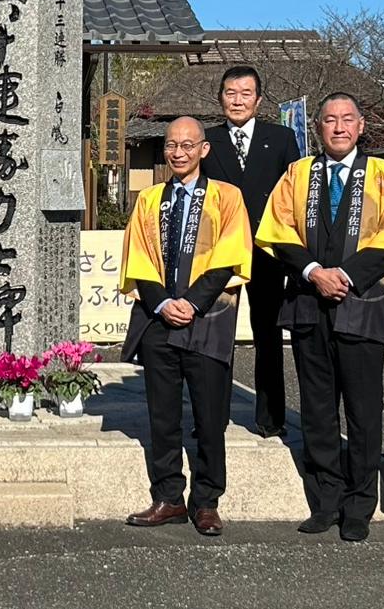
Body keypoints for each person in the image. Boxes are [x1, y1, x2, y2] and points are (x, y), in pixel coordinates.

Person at [255, 92, 384, 543]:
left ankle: (360, 503)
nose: (339, 127)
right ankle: (325, 498)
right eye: (330, 120)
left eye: (348, 119)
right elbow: (275, 230)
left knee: (364, 410)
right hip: (308, 303)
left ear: (362, 126)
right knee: (318, 408)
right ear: (319, 128)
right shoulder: (298, 174)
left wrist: (343, 275)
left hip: (361, 303)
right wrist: (313, 272)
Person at [120, 117, 253, 536]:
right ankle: (169, 497)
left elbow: (231, 257)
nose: (179, 152)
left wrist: (192, 303)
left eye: (187, 145)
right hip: (158, 319)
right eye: (172, 145)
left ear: (204, 150)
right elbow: (137, 257)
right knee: (162, 415)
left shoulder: (226, 197)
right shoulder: (150, 199)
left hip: (208, 316)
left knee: (210, 415)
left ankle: (207, 501)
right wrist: (162, 302)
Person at [200, 64, 301, 439]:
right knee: (213, 335)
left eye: (245, 93)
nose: (237, 100)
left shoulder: (281, 138)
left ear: (259, 99)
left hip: (267, 251)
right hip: (219, 252)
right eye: (230, 93)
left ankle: (271, 417)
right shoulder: (207, 141)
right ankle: (211, 417)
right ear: (220, 97)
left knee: (268, 335)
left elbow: (293, 195)